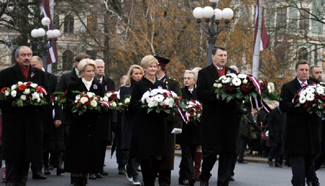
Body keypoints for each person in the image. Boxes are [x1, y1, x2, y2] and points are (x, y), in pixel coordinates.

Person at [0, 46, 49, 185]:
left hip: (32, 126)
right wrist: (13, 104)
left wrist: (37, 102)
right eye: (23, 55)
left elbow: (47, 100)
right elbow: (1, 100)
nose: (26, 58)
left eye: (28, 55)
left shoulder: (39, 75)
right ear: (17, 57)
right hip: (13, 127)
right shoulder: (6, 74)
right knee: (12, 166)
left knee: (24, 167)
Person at [196, 45, 239, 186]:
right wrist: (219, 94)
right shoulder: (204, 73)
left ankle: (223, 182)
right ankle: (204, 176)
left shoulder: (232, 73)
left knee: (228, 153)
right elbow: (201, 93)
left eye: (225, 55)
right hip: (212, 120)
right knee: (211, 153)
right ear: (213, 56)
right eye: (220, 55)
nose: (223, 58)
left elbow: (239, 93)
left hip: (230, 120)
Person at [280, 60, 321, 186]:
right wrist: (301, 106)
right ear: (296, 71)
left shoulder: (316, 86)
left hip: (312, 134)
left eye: (306, 70)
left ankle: (305, 180)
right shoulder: (288, 87)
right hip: (296, 135)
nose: (304, 72)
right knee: (298, 171)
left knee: (309, 166)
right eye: (302, 70)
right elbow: (284, 105)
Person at [129, 55, 168, 185]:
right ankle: (147, 182)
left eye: (155, 66)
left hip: (158, 124)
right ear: (145, 68)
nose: (153, 68)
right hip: (144, 125)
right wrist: (148, 106)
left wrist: (164, 107)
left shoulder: (161, 85)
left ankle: (151, 180)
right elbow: (133, 105)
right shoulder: (139, 85)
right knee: (145, 155)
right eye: (150, 66)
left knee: (158, 155)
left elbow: (168, 102)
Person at [64, 59, 104, 186]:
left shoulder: (99, 86)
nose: (92, 73)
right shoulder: (73, 86)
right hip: (78, 126)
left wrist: (95, 107)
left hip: (93, 125)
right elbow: (68, 106)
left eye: (93, 71)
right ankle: (76, 179)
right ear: (81, 72)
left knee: (89, 156)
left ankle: (85, 179)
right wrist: (79, 106)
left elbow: (103, 105)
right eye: (88, 71)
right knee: (78, 155)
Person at [56, 53, 89, 184]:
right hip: (71, 118)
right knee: (73, 146)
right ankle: (74, 175)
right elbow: (59, 96)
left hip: (87, 120)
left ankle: (84, 174)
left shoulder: (93, 81)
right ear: (77, 64)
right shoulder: (66, 77)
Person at [30, 56, 65, 178]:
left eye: (34, 65)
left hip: (46, 115)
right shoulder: (29, 76)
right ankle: (38, 167)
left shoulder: (53, 78)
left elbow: (57, 98)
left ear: (41, 64)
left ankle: (43, 165)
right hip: (31, 115)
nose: (32, 67)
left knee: (45, 142)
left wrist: (58, 116)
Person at [155, 56, 182, 186]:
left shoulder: (172, 84)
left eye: (154, 66)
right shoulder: (148, 83)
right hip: (152, 125)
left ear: (159, 67)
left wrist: (177, 124)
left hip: (167, 125)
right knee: (151, 158)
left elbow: (178, 105)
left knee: (166, 159)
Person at [88, 59, 115, 179]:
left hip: (105, 117)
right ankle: (92, 168)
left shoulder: (109, 82)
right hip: (94, 116)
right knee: (94, 143)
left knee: (103, 143)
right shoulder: (90, 82)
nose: (100, 69)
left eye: (102, 67)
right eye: (98, 67)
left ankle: (99, 168)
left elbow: (113, 98)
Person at [177, 70, 201, 186]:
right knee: (186, 153)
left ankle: (182, 176)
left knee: (191, 153)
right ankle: (191, 177)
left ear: (194, 81)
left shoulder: (198, 93)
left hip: (196, 129)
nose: (186, 80)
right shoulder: (181, 92)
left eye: (189, 78)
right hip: (185, 129)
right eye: (185, 78)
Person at [120, 65, 144, 186]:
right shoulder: (125, 88)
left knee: (139, 148)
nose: (138, 76)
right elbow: (123, 104)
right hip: (130, 120)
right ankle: (134, 174)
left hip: (141, 120)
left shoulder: (144, 87)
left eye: (140, 73)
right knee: (130, 147)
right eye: (136, 74)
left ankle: (130, 169)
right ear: (131, 75)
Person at [191, 67, 202, 181]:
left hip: (201, 121)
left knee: (199, 146)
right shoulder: (190, 91)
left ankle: (196, 171)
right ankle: (187, 169)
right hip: (191, 120)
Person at [266, 102, 283, 167]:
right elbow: (270, 123)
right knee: (275, 145)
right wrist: (271, 132)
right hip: (275, 132)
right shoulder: (273, 112)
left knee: (279, 146)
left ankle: (277, 161)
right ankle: (270, 158)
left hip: (280, 132)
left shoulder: (282, 112)